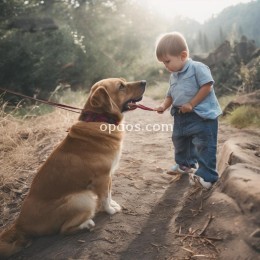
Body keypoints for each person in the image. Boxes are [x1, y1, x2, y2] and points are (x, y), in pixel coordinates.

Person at [154, 32, 222, 189]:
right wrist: (163, 106)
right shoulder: (174, 76)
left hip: (201, 117)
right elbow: (170, 95)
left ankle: (207, 176)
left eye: (167, 61)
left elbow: (207, 86)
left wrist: (192, 103)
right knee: (179, 141)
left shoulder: (197, 68)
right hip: (181, 117)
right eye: (163, 64)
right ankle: (185, 165)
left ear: (183, 55)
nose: (166, 66)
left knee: (203, 145)